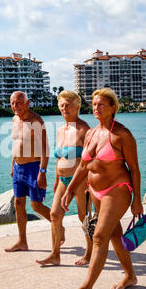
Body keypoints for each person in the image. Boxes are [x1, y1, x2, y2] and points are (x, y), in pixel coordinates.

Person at [61, 87, 143, 289]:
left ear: (113, 107)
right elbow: (83, 165)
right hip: (95, 191)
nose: (96, 108)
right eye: (94, 104)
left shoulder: (122, 134)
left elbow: (134, 169)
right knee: (114, 234)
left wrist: (137, 200)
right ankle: (130, 276)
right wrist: (70, 190)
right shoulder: (91, 132)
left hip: (117, 189)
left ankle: (87, 287)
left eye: (101, 104)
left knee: (98, 236)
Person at [35, 90, 92, 266]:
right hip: (62, 180)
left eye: (68, 105)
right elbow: (60, 158)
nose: (64, 108)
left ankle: (89, 252)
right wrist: (54, 180)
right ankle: (55, 254)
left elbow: (89, 160)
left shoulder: (84, 130)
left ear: (77, 107)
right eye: (61, 105)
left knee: (84, 216)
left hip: (81, 180)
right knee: (54, 214)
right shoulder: (60, 130)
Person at [5, 91, 59, 252]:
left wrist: (42, 172)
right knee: (19, 203)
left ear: (27, 103)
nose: (16, 106)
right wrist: (12, 165)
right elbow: (16, 144)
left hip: (33, 168)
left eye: (19, 103)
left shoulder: (37, 121)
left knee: (36, 205)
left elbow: (45, 149)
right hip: (18, 168)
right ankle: (22, 241)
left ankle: (59, 226)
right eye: (13, 103)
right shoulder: (15, 119)